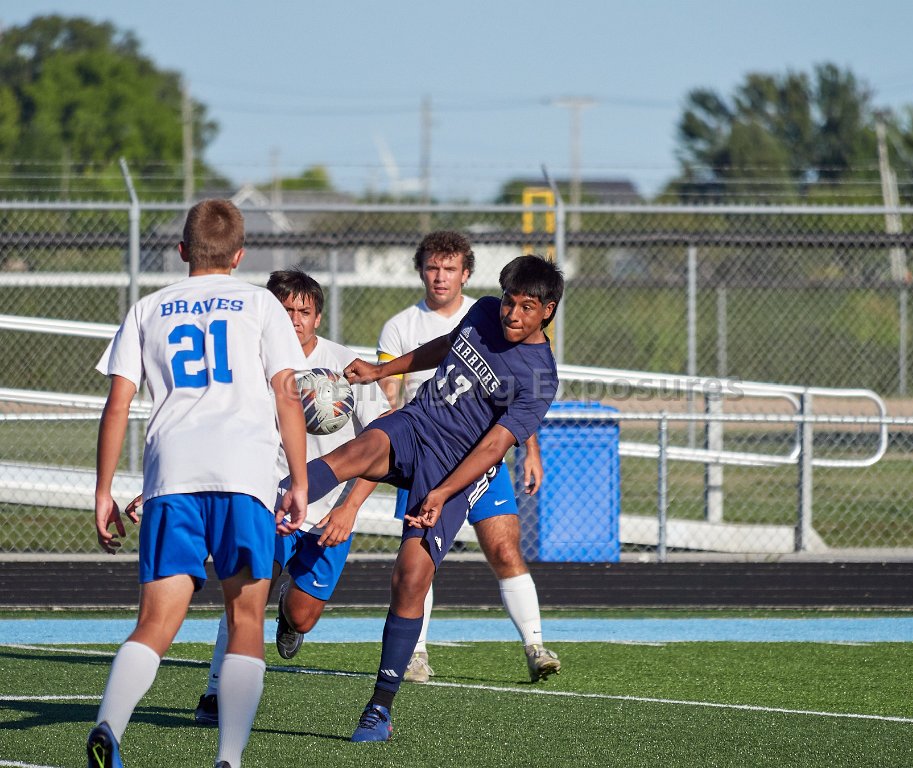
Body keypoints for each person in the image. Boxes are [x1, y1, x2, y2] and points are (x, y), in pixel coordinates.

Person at [282, 253, 563, 742]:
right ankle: (271, 507)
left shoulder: (540, 376)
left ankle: (379, 708)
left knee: (410, 578)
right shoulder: (483, 312)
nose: (512, 314)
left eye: (526, 307)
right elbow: (446, 344)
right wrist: (380, 371)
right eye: (509, 302)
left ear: (548, 311)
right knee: (359, 450)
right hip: (417, 423)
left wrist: (443, 491)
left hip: (456, 469)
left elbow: (494, 447)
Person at [87, 199, 309, 768]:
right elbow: (287, 394)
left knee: (155, 622)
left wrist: (103, 491)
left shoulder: (148, 308)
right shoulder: (260, 304)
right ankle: (228, 757)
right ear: (240, 255)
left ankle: (110, 725)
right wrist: (300, 480)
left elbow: (118, 404)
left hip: (173, 475)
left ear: (182, 249)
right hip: (244, 476)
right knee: (246, 621)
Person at [192, 268, 389, 726]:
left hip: (328, 514)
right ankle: (216, 692)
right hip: (268, 502)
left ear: (318, 317)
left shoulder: (346, 366)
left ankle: (289, 617)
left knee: (302, 617)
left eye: (304, 311)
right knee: (248, 594)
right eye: (286, 310)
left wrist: (349, 507)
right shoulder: (249, 364)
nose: (295, 319)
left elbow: (383, 444)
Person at [376, 230, 560, 684]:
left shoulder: (494, 311)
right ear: (421, 271)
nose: (440, 277)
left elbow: (522, 400)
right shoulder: (400, 326)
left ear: (467, 274)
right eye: (432, 267)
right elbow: (390, 391)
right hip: (425, 452)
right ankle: (415, 652)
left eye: (450, 268)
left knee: (504, 547)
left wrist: (531, 450)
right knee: (420, 558)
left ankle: (535, 644)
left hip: (483, 460)